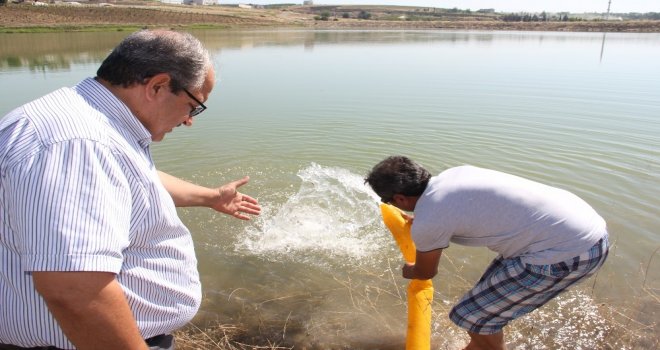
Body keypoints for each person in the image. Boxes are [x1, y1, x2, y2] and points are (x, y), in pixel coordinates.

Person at [0, 29, 260, 350]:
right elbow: (74, 289)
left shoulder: (86, 121)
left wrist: (211, 197)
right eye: (194, 105)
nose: (190, 120)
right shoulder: (80, 144)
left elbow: (129, 181)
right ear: (157, 86)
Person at [365, 156, 609, 350]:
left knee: (471, 315)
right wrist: (424, 220)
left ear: (399, 198)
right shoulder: (454, 175)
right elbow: (459, 212)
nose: (390, 205)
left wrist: (408, 270)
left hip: (568, 252)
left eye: (389, 201)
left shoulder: (430, 221)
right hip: (581, 225)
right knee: (481, 310)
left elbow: (426, 271)